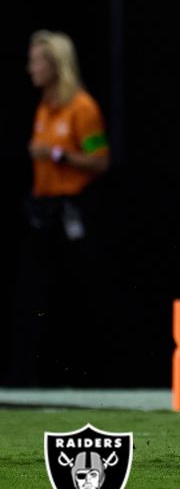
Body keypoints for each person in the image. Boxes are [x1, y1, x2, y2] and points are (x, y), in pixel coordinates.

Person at [20, 30, 110, 386]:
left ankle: (84, 374)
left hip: (74, 210)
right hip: (44, 210)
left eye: (37, 61)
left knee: (76, 292)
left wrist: (57, 155)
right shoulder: (44, 107)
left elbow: (100, 161)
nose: (30, 69)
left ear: (56, 65)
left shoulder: (82, 108)